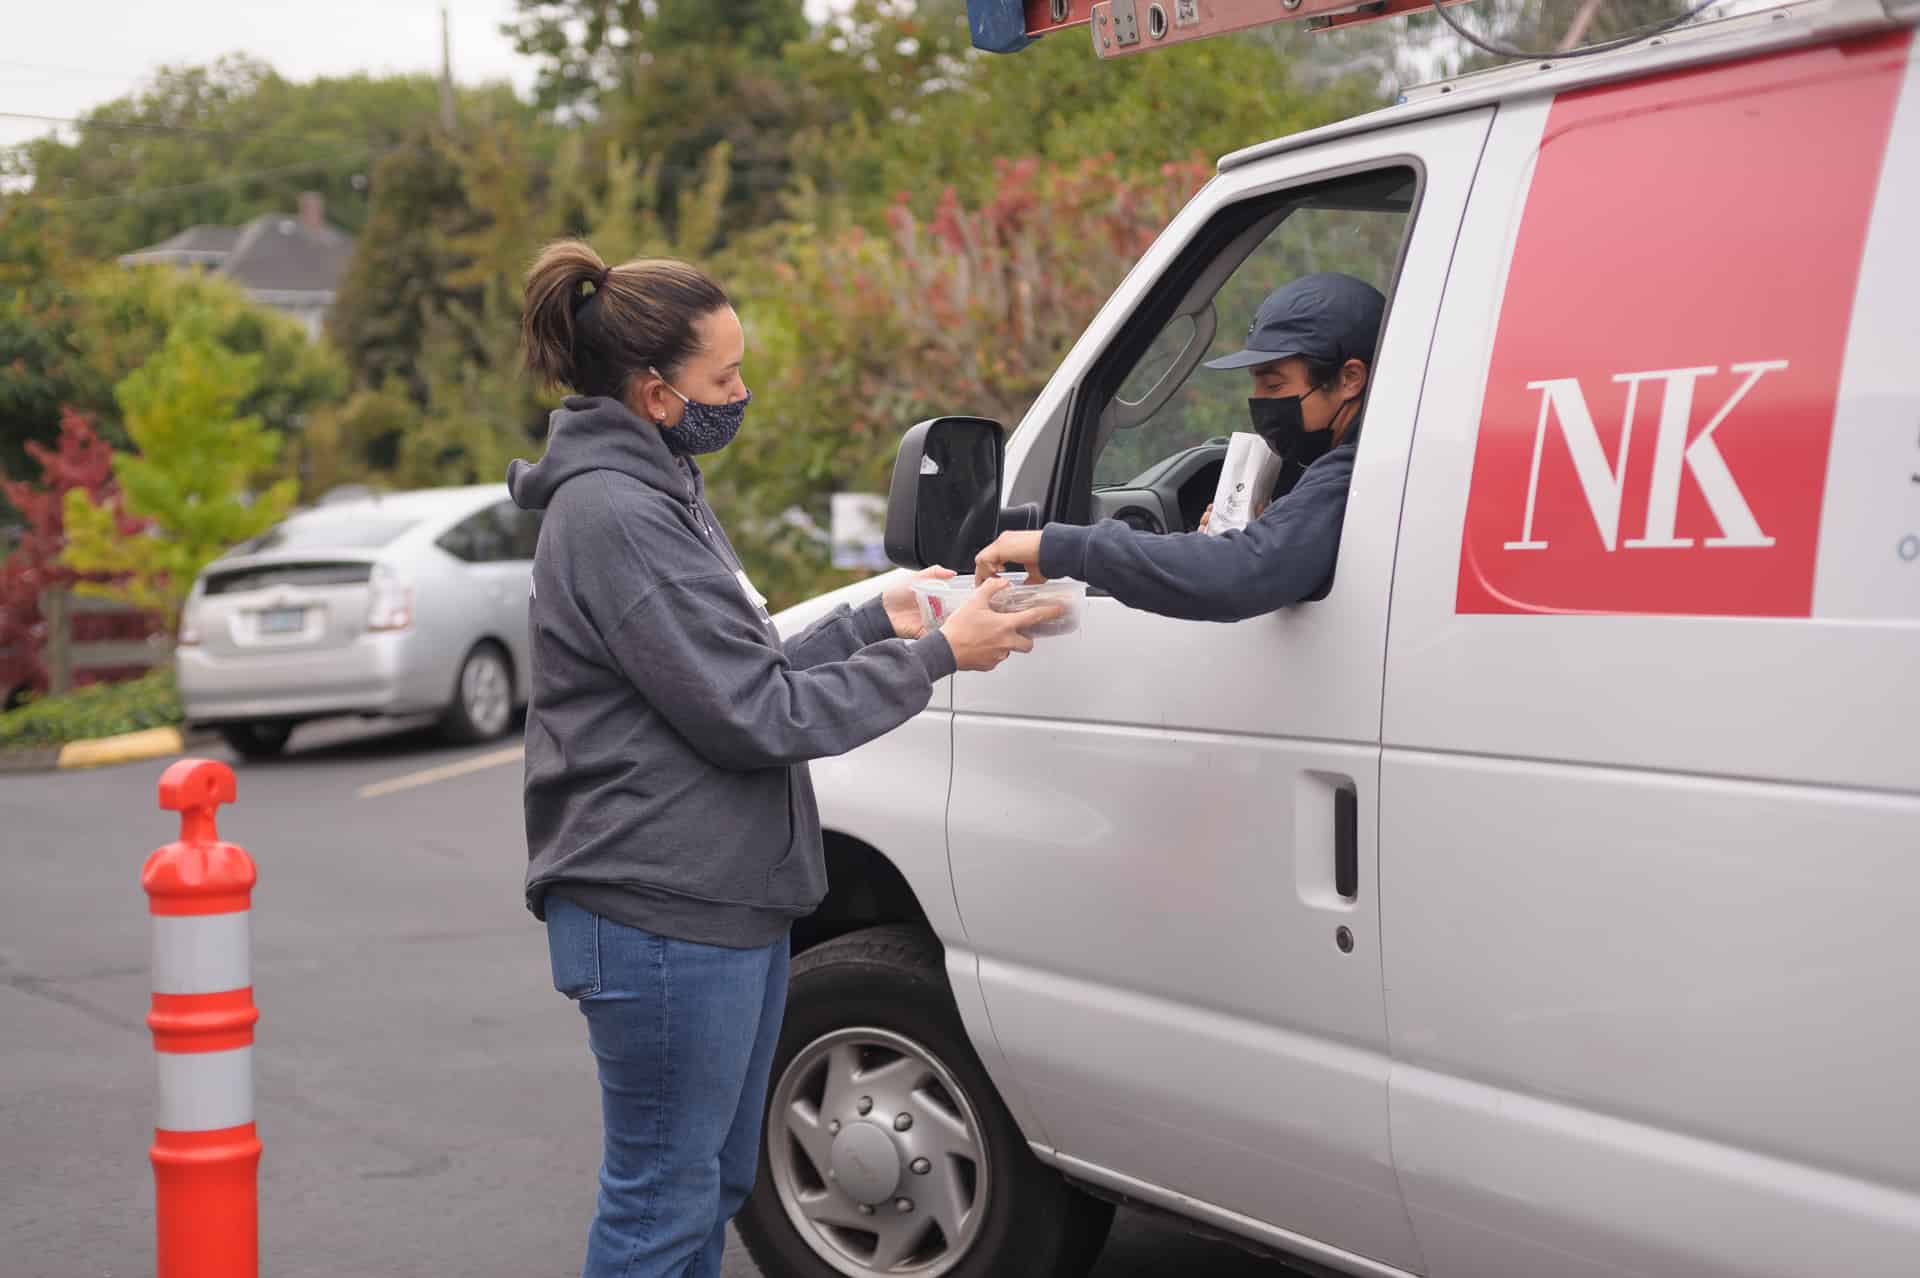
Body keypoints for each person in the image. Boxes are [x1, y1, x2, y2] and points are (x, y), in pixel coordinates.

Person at [509, 240, 1058, 1278]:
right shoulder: (619, 515)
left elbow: (724, 673)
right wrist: (941, 652)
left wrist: (876, 618)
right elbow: (753, 715)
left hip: (710, 901)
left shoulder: (657, 486)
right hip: (659, 910)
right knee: (662, 1205)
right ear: (656, 391)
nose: (742, 393)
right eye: (725, 378)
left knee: (706, 1185)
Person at [974, 272, 1385, 620]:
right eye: (1256, 383)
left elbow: (1243, 573)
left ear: (1350, 378)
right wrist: (1268, 525)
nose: (1260, 400)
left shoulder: (1360, 470)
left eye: (1274, 384)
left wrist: (1061, 546)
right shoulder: (1344, 462)